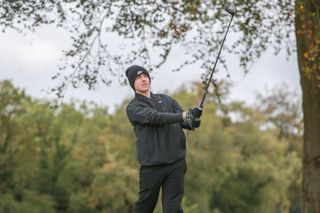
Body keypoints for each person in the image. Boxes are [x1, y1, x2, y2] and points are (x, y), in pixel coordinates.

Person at [125, 65, 202, 213]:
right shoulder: (133, 107)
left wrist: (192, 121)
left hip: (176, 163)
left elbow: (184, 121)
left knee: (173, 209)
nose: (143, 79)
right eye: (138, 78)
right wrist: (185, 115)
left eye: (145, 76)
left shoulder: (166, 99)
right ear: (132, 84)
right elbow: (155, 117)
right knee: (144, 207)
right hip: (152, 166)